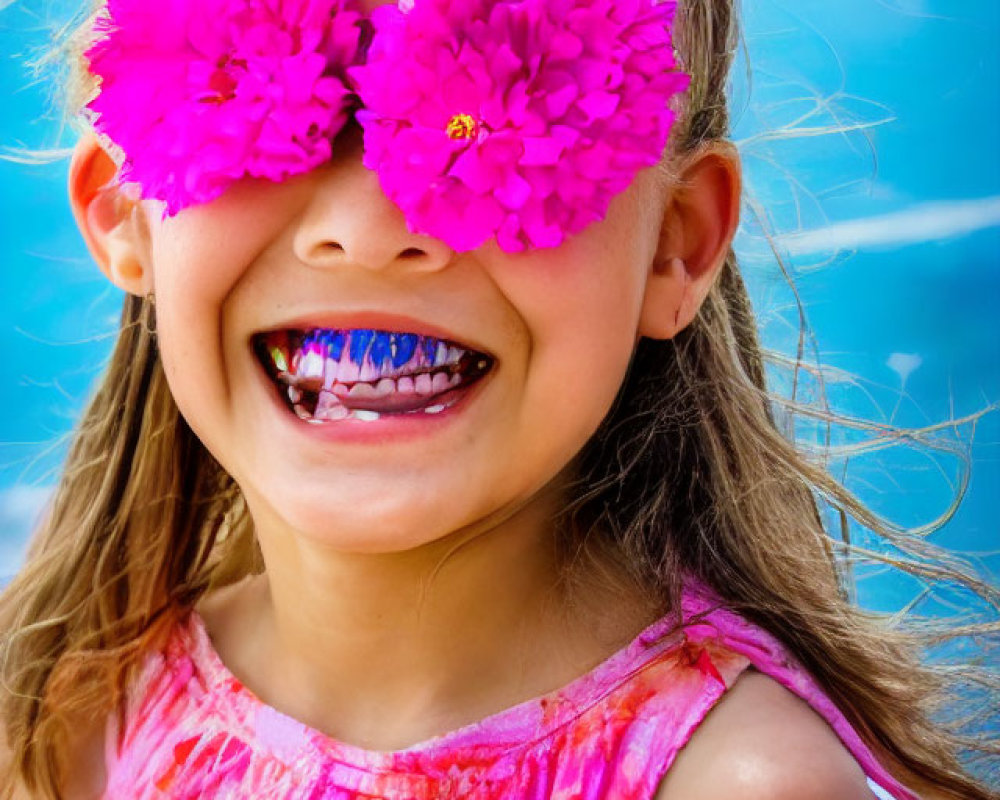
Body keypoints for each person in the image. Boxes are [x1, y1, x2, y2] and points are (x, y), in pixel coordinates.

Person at [0, 0, 995, 798]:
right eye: (255, 71)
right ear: (123, 206)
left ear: (675, 241)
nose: (370, 225)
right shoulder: (74, 721)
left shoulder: (744, 781)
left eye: (519, 101)